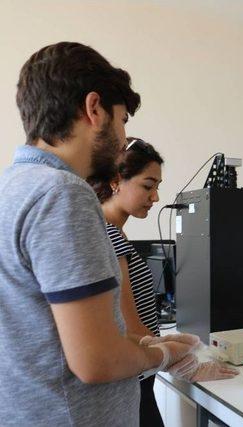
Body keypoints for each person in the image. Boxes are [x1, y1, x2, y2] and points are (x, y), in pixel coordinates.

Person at [0, 42, 198, 426]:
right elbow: (97, 360)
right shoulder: (62, 193)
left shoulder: (12, 186)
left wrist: (147, 342)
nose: (124, 139)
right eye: (121, 120)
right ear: (94, 109)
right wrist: (165, 355)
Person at [88, 137, 239, 425]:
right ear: (115, 181)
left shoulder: (112, 234)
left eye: (157, 187)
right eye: (148, 185)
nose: (155, 197)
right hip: (132, 380)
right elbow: (129, 328)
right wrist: (184, 361)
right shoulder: (109, 236)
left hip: (138, 376)